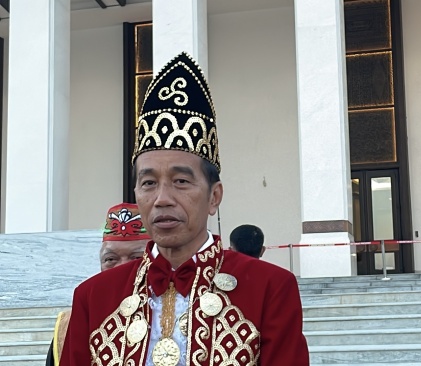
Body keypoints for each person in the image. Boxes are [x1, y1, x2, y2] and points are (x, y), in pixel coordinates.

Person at [60, 52, 309, 365]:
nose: (162, 198)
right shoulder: (93, 296)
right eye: (148, 183)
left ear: (214, 197)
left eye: (180, 181)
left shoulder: (270, 288)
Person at [45, 203, 150, 366]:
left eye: (136, 259)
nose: (121, 269)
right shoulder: (71, 324)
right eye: (110, 259)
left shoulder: (170, 311)